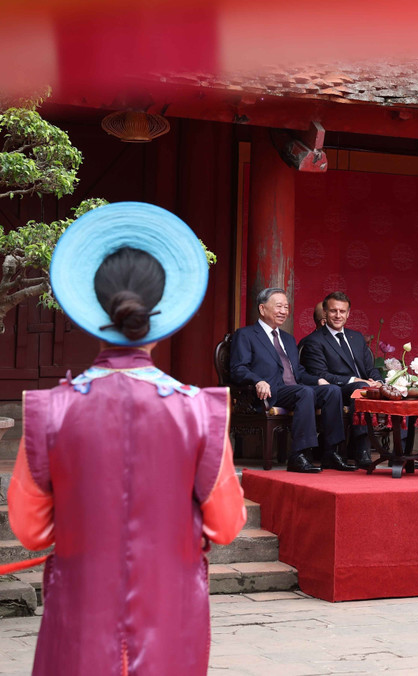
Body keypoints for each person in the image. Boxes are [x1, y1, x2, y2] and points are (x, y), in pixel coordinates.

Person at [6, 202, 246, 675]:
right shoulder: (199, 411)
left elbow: (30, 531)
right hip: (172, 619)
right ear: (164, 309)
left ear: (91, 306)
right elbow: (226, 525)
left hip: (78, 618)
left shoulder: (50, 410)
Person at [230, 288, 351, 472]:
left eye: (286, 307)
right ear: (262, 309)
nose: (284, 311)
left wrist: (318, 380)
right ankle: (299, 454)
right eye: (278, 306)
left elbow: (299, 373)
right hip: (268, 391)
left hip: (295, 390)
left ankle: (330, 453)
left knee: (332, 390)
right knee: (305, 392)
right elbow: (238, 368)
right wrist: (257, 381)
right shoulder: (246, 335)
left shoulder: (287, 339)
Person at [299, 291, 382, 467]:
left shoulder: (356, 337)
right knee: (360, 388)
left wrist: (378, 382)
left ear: (348, 313)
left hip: (363, 388)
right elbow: (321, 375)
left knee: (395, 390)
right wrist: (355, 381)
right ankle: (362, 450)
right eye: (333, 311)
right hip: (337, 391)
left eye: (342, 311)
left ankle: (401, 453)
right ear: (325, 312)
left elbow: (370, 369)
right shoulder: (314, 340)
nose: (338, 315)